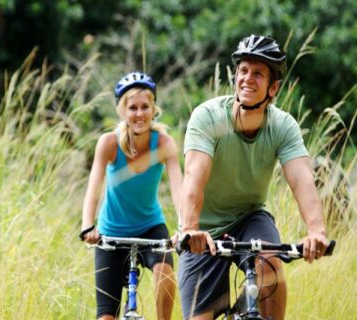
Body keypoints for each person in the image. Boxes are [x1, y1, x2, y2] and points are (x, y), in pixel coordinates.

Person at [177, 34, 329, 320]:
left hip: (250, 218)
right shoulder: (208, 117)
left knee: (270, 261)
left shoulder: (283, 126)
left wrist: (316, 231)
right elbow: (194, 175)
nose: (247, 79)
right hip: (203, 231)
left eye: (258, 73)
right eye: (243, 71)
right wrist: (189, 228)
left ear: (273, 87)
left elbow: (302, 179)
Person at [80, 71, 183, 320]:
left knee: (165, 274)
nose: (139, 114)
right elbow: (93, 188)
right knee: (106, 316)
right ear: (123, 111)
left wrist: (184, 227)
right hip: (111, 231)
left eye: (145, 107)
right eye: (133, 107)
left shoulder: (164, 144)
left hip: (150, 227)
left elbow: (179, 189)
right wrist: (87, 226)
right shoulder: (109, 143)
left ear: (153, 108)